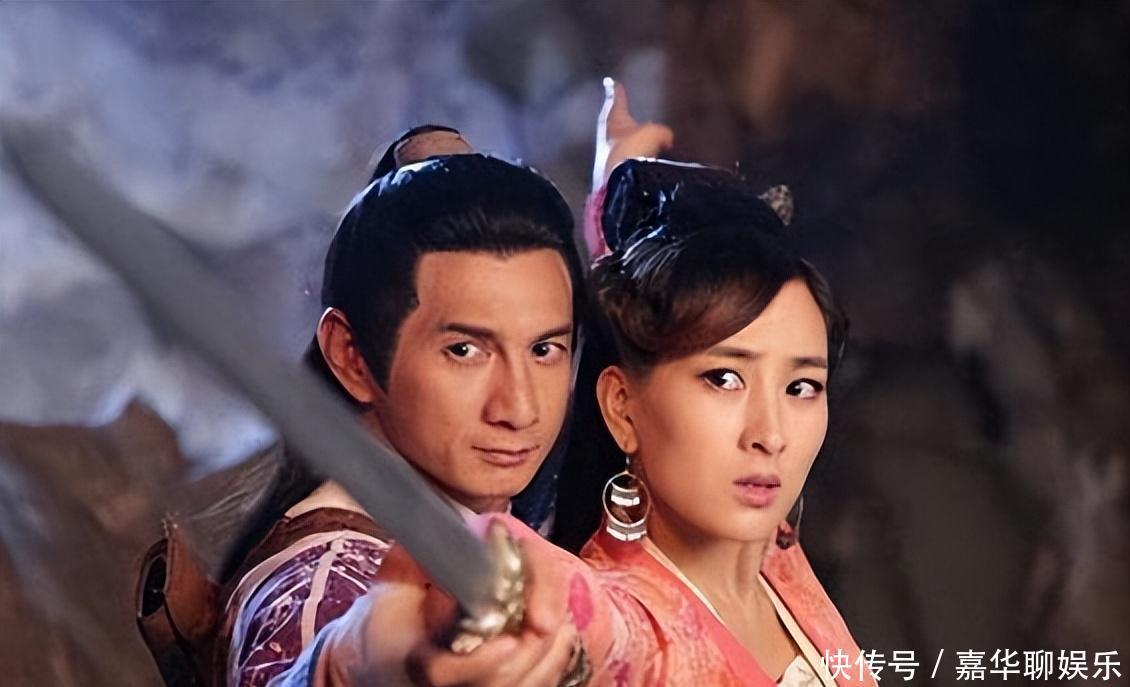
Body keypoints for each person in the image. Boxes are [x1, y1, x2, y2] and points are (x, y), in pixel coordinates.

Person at [298, 81, 875, 687]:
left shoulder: (768, 546)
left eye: (802, 387)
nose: (771, 435)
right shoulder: (623, 623)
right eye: (724, 379)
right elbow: (564, 601)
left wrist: (626, 229)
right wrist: (367, 649)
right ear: (621, 408)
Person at [210, 128, 590, 686]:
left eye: (543, 350)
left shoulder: (472, 518)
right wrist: (343, 663)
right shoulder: (329, 592)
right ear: (352, 356)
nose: (520, 408)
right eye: (464, 351)